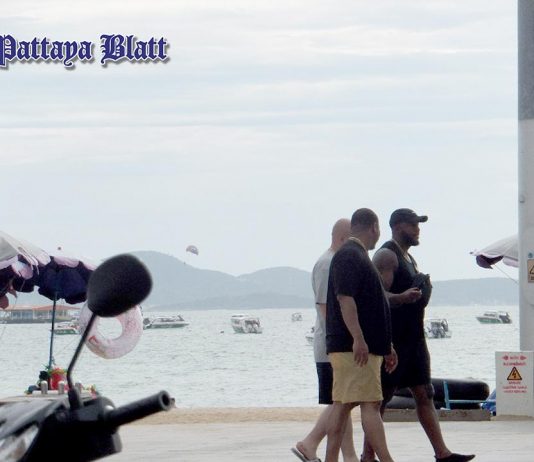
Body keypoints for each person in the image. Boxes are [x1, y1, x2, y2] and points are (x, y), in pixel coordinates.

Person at [360, 208, 475, 462]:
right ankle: (367, 457)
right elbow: (377, 297)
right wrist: (402, 297)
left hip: (414, 339)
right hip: (394, 341)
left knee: (425, 393)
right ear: (398, 226)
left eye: (418, 224)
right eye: (413, 225)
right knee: (381, 400)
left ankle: (442, 453)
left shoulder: (409, 259)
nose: (418, 229)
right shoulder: (387, 256)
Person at [325, 208, 397, 462]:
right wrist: (358, 338)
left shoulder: (357, 255)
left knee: (344, 405)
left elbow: (369, 305)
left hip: (361, 346)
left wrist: (385, 345)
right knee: (368, 404)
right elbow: (345, 299)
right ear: (374, 227)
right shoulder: (350, 255)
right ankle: (386, 459)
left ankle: (332, 458)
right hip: (352, 347)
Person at [292, 218, 358, 462]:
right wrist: (347, 336)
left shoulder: (335, 262)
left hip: (335, 344)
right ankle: (310, 442)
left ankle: (349, 455)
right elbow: (324, 307)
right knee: (341, 401)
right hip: (330, 346)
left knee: (344, 399)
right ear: (343, 238)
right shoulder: (327, 264)